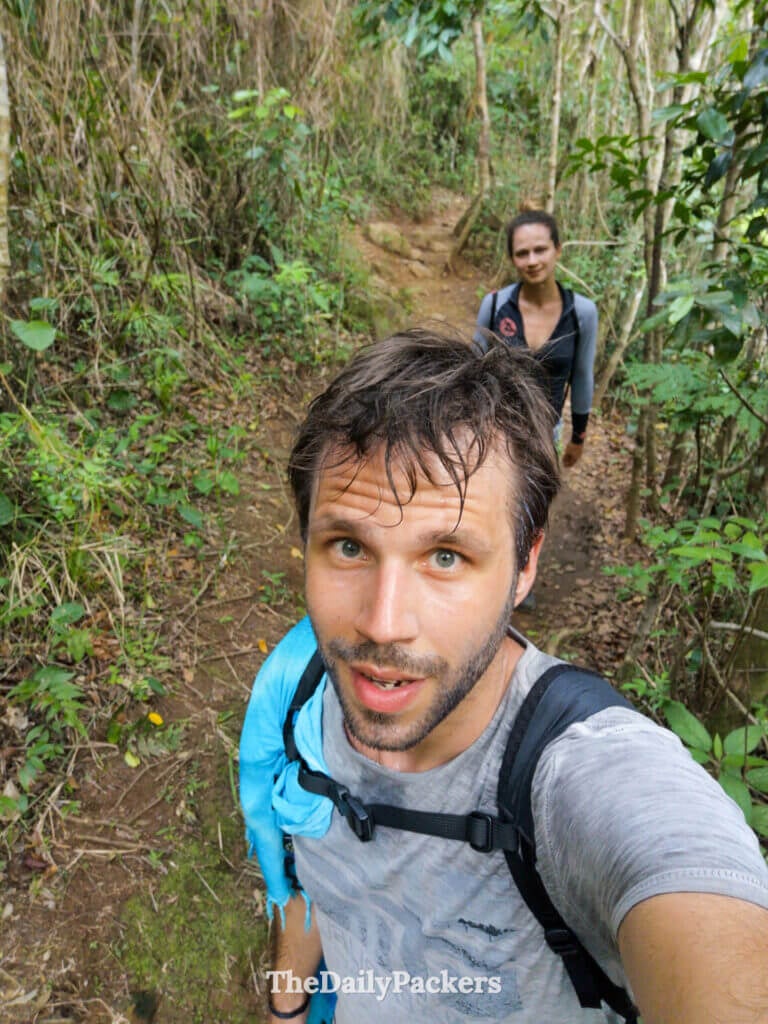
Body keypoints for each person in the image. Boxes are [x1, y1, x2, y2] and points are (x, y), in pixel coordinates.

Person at [239, 329, 768, 1024]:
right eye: (348, 546)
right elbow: (314, 866)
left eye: (447, 556)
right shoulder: (297, 692)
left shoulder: (583, 780)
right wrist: (287, 1005)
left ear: (525, 564)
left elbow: (694, 902)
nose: (382, 623)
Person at [474, 208, 597, 471]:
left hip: (545, 434)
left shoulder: (582, 314)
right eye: (522, 253)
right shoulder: (495, 305)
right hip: (493, 432)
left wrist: (579, 436)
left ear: (558, 250)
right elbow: (472, 368)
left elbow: (582, 376)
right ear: (511, 258)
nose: (532, 261)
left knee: (533, 509)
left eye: (540, 250)